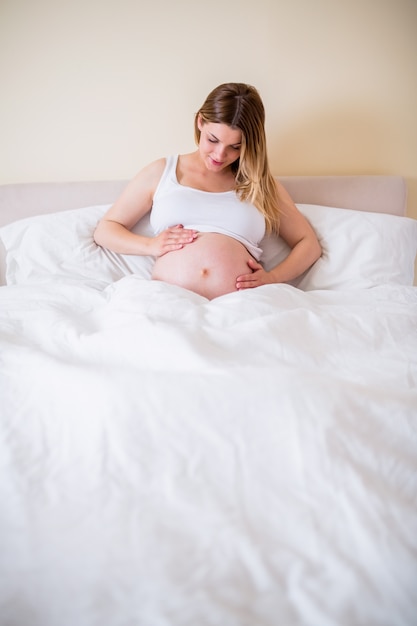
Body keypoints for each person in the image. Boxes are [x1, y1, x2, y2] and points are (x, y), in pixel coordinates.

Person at [94, 82, 321, 299]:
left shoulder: (259, 185)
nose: (220, 155)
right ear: (200, 122)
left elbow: (308, 244)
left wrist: (273, 277)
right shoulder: (163, 172)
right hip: (169, 299)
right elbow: (105, 230)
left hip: (241, 303)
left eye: (235, 147)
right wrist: (150, 245)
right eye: (213, 140)